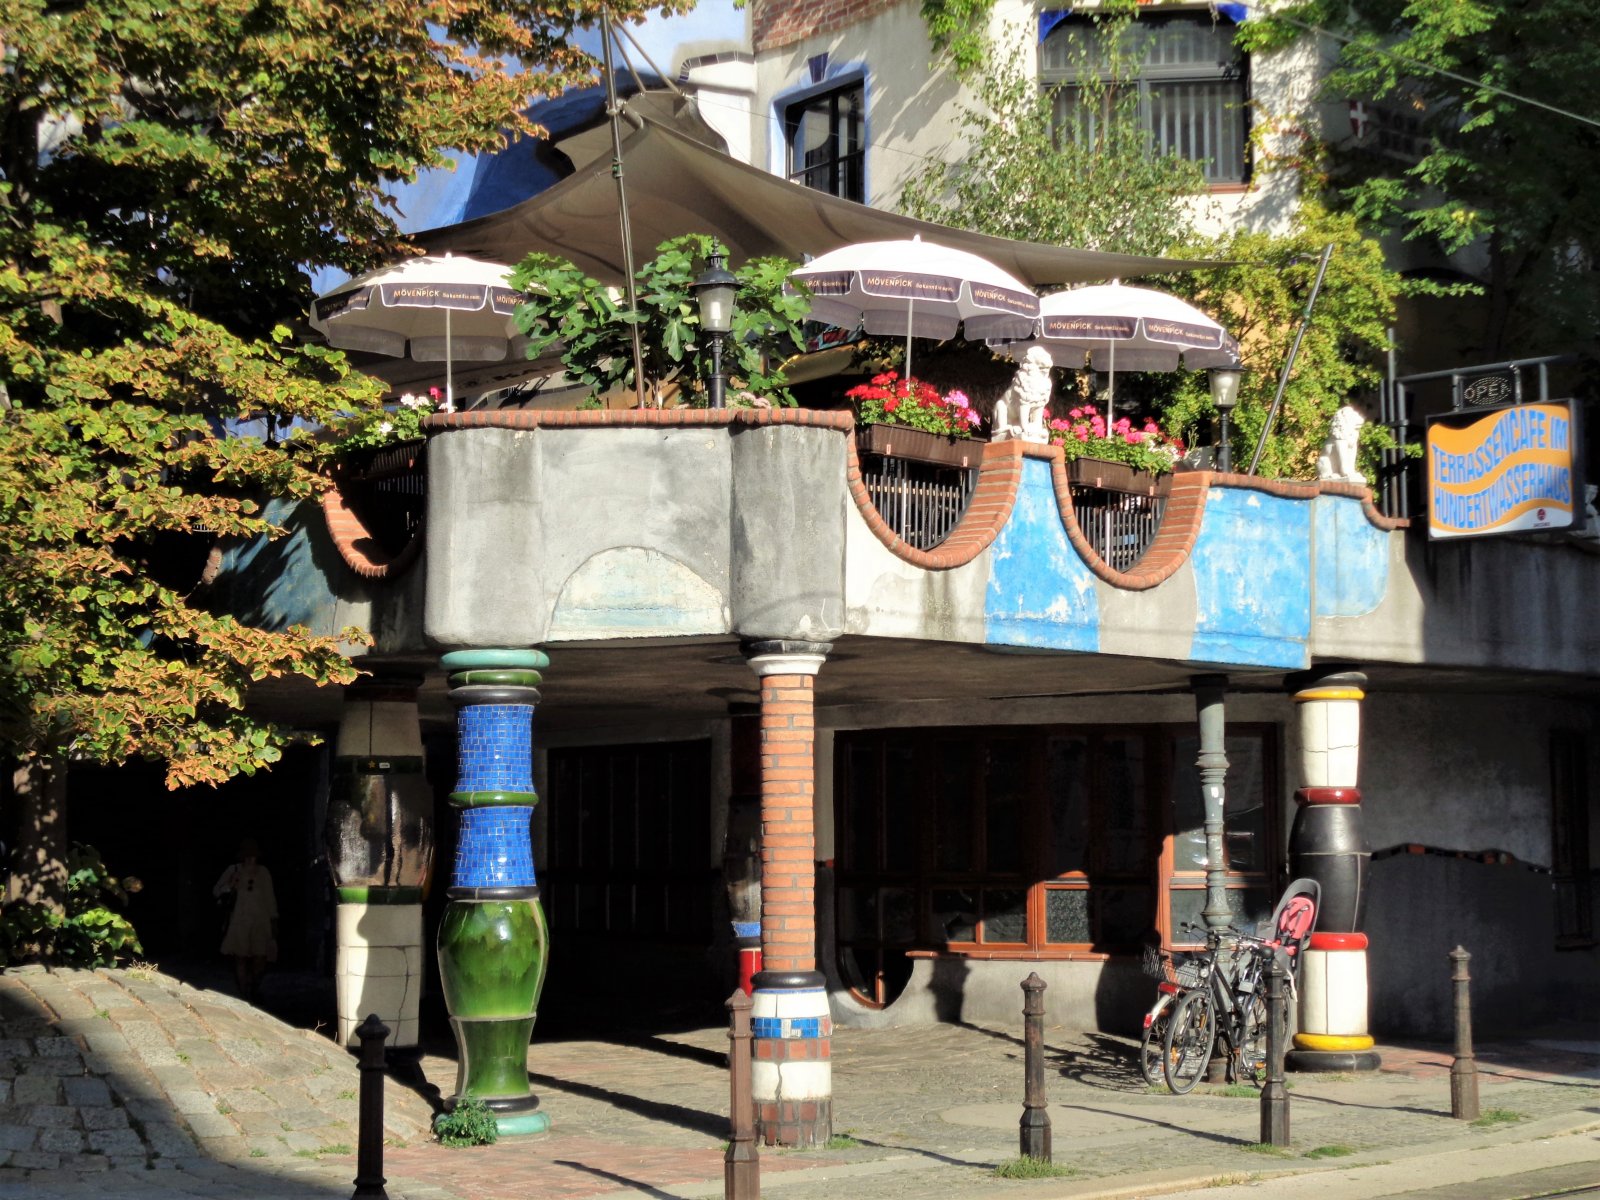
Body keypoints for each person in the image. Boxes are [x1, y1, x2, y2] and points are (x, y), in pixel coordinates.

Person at [213, 838, 277, 1003]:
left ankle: (253, 987)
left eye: (253, 856)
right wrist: (231, 884)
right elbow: (216, 891)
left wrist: (273, 920)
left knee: (260, 958)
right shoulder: (233, 870)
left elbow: (270, 898)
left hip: (260, 920)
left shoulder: (263, 872)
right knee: (240, 957)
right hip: (239, 920)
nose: (250, 859)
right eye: (246, 856)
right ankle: (244, 995)